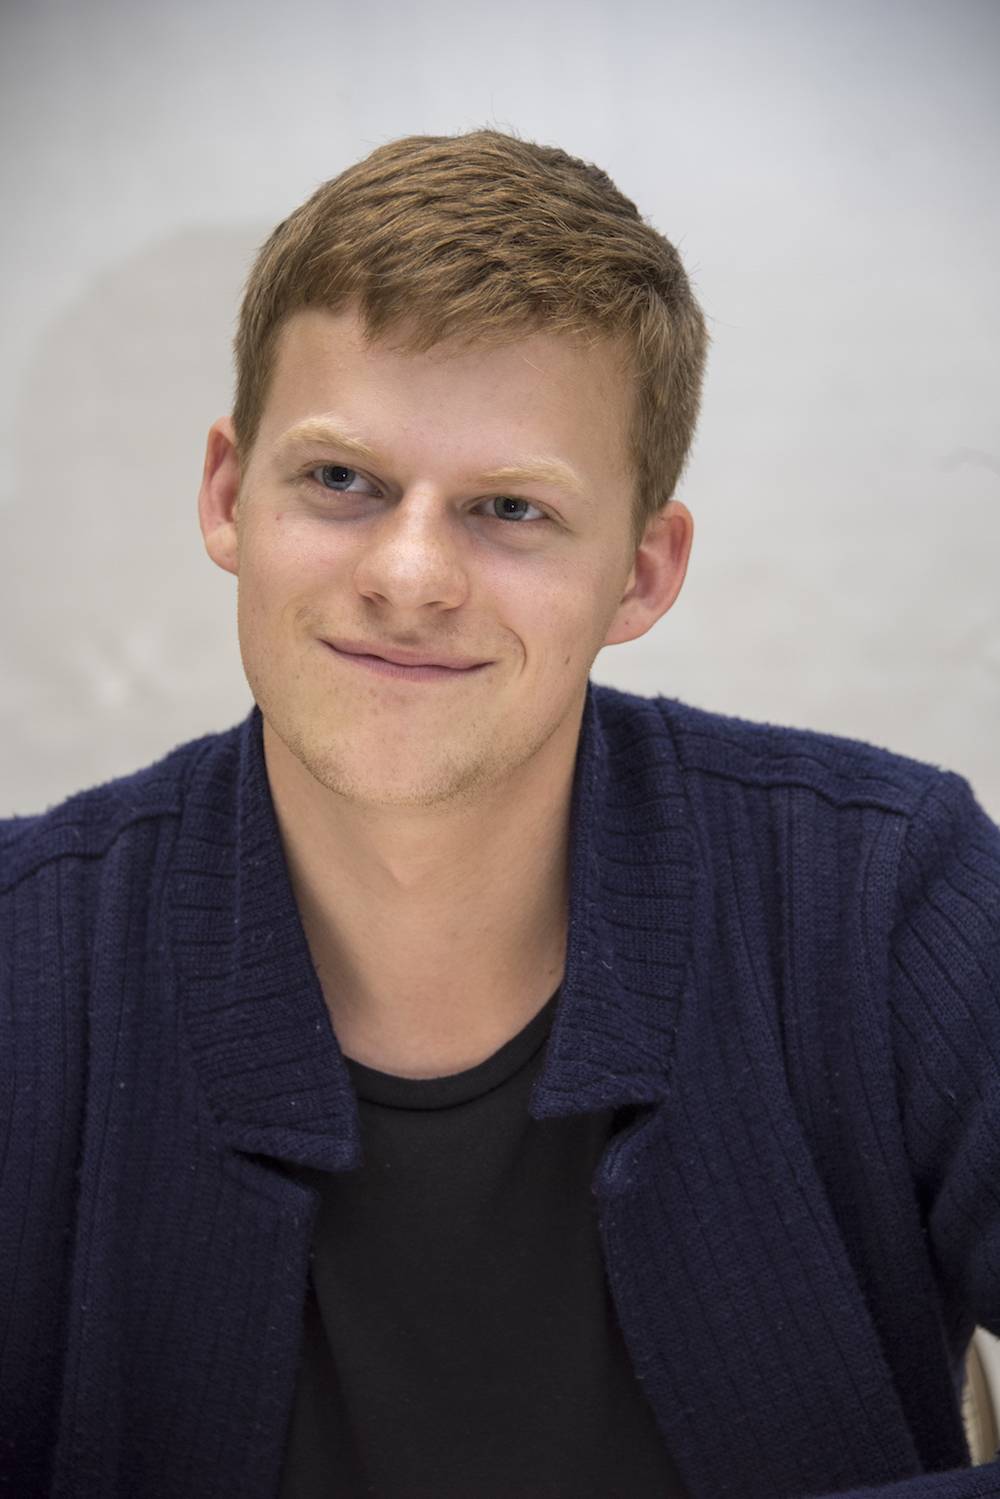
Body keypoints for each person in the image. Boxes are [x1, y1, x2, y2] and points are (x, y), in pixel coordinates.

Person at [1, 129, 998, 1499]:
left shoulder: (888, 894)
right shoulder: (21, 961)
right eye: (342, 480)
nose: (410, 577)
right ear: (230, 494)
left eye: (510, 508)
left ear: (643, 573)